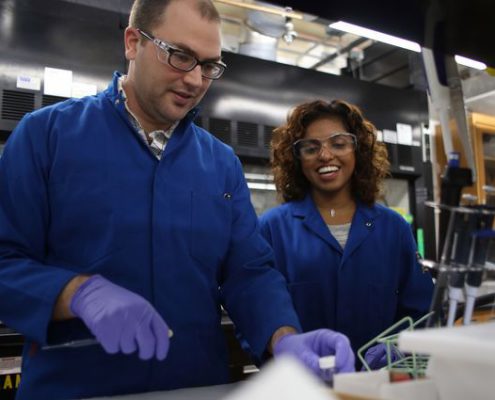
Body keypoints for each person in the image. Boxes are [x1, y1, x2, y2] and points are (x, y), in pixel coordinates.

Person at [0, 2, 356, 399]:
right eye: (181, 56)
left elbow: (248, 272)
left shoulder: (220, 163)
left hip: (195, 386)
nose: (195, 80)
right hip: (75, 388)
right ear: (133, 43)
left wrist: (283, 337)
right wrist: (77, 293)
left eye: (209, 66)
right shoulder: (47, 137)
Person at [259, 99, 434, 369]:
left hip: (378, 383)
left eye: (338, 144)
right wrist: (283, 349)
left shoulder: (393, 227)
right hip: (301, 386)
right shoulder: (272, 227)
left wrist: (398, 348)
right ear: (297, 159)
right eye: (310, 147)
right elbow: (260, 311)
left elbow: (421, 311)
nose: (326, 155)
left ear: (358, 150)